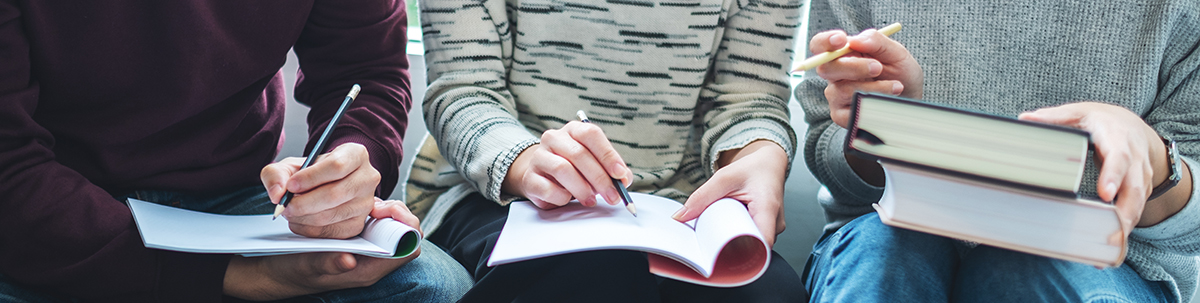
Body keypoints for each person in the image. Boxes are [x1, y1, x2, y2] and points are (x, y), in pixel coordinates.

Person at [0, 1, 473, 302]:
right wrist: (232, 278)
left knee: (437, 289)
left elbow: (366, 71)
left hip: (235, 200)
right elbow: (10, 167)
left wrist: (346, 169)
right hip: (48, 212)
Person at [404, 0, 808, 301]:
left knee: (770, 293)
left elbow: (748, 100)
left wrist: (760, 157)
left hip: (684, 206)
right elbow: (462, 90)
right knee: (591, 271)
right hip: (495, 191)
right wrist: (526, 162)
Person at [797, 0, 1200, 302]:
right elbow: (827, 144)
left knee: (1035, 273)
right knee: (882, 260)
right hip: (887, 234)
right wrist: (890, 128)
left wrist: (1149, 156)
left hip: (1113, 261)